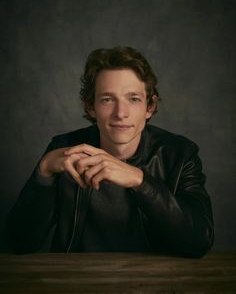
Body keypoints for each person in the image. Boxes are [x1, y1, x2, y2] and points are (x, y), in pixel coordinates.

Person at [6, 46, 214, 257]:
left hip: (154, 284)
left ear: (149, 107)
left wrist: (140, 181)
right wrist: (43, 174)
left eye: (133, 99)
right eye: (107, 99)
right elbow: (20, 243)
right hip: (76, 283)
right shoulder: (63, 150)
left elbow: (198, 243)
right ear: (90, 106)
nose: (120, 113)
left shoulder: (179, 154)